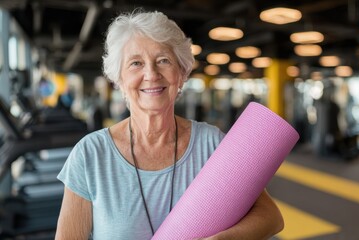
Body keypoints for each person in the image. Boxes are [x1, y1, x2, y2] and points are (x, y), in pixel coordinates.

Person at [55, 9, 283, 240]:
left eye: (163, 60)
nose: (151, 74)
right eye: (136, 63)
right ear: (119, 79)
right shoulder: (90, 155)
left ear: (182, 73)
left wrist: (226, 239)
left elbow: (271, 216)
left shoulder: (213, 144)